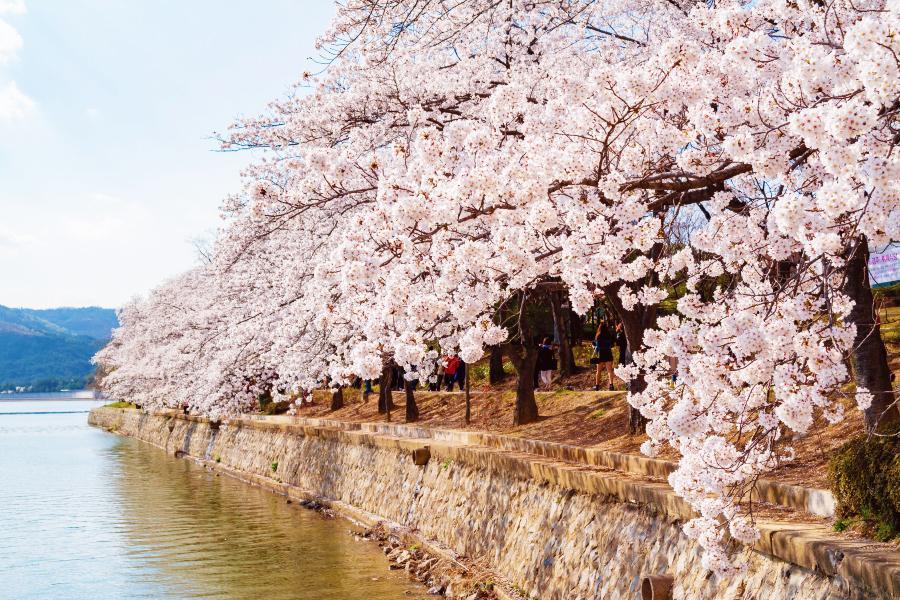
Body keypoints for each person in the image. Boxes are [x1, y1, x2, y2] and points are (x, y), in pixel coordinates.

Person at [593, 320, 616, 391]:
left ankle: (597, 386)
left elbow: (597, 345)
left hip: (600, 354)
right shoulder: (609, 335)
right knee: (609, 371)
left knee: (598, 371)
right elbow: (612, 345)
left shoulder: (598, 336)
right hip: (608, 353)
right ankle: (611, 385)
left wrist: (593, 346)